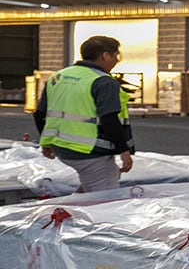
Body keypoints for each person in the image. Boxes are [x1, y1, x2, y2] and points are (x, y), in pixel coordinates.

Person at [34, 34, 136, 192]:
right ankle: (76, 214)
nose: (116, 60)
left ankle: (77, 203)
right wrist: (124, 151)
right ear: (105, 55)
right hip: (88, 151)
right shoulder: (103, 81)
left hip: (61, 147)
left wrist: (46, 143)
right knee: (105, 198)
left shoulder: (58, 76)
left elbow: (39, 114)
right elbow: (109, 120)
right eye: (116, 56)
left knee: (99, 179)